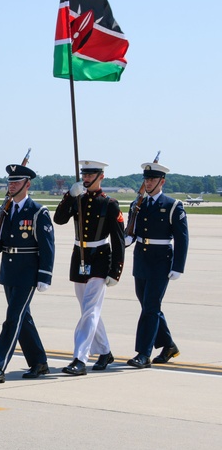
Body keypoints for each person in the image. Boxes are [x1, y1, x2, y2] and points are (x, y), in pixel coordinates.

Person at [0, 162, 55, 383]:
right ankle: (39, 363)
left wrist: (45, 276)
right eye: (10, 182)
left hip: (28, 273)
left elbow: (48, 246)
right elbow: (3, 240)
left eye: (16, 182)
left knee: (12, 319)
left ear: (27, 184)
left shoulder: (37, 211)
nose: (11, 185)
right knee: (23, 319)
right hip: (9, 271)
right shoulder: (5, 209)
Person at [52, 160, 125, 375]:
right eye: (84, 175)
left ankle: (80, 358)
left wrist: (115, 271)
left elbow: (118, 240)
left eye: (90, 175)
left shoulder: (110, 203)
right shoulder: (78, 199)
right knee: (88, 310)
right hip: (79, 257)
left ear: (100, 176)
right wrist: (69, 196)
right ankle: (104, 351)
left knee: (90, 311)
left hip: (101, 258)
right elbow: (59, 219)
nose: (85, 179)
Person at [125, 160, 189, 368]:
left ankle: (143, 353)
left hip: (161, 260)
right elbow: (131, 231)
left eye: (152, 179)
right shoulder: (138, 204)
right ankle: (169, 345)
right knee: (148, 305)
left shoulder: (172, 205)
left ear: (162, 181)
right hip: (141, 259)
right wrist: (125, 240)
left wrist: (178, 266)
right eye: (146, 179)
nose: (149, 182)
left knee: (150, 307)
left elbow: (182, 238)